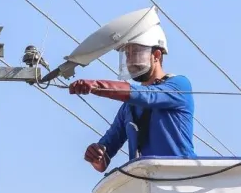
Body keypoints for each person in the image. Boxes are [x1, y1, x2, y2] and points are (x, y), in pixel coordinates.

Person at [68, 24, 196, 173]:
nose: (130, 60)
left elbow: (148, 96)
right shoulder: (129, 108)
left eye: (136, 52)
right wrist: (96, 156)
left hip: (182, 179)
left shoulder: (179, 84)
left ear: (156, 56)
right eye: (127, 54)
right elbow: (105, 154)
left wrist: (97, 86)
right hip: (148, 181)